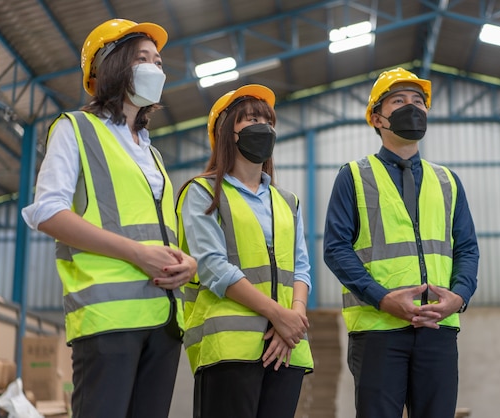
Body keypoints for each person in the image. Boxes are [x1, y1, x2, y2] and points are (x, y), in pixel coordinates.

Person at [21, 18, 196, 418]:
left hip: (165, 320)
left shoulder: (152, 154)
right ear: (111, 65)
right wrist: (137, 254)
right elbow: (48, 211)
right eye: (143, 58)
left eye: (159, 60)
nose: (156, 68)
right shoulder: (75, 129)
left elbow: (162, 230)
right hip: (109, 320)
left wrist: (188, 262)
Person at [323, 67, 479, 418]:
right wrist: (381, 298)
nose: (412, 107)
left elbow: (467, 248)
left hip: (438, 329)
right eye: (399, 100)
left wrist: (460, 295)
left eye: (418, 101)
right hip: (379, 330)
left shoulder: (448, 181)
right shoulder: (354, 176)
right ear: (377, 118)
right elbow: (336, 248)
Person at [175, 84, 314, 418]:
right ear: (226, 132)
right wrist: (279, 316)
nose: (264, 128)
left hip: (286, 348)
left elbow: (301, 269)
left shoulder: (287, 201)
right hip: (230, 347)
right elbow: (212, 267)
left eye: (268, 121)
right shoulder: (202, 193)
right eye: (252, 119)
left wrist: (292, 320)